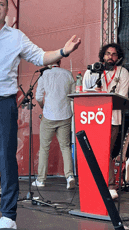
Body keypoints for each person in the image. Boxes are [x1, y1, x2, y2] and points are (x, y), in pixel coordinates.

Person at [0, 0, 81, 230]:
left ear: (6, 11)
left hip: (2, 105)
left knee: (5, 158)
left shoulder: (16, 37)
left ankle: (8, 216)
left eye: (1, 4)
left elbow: (41, 56)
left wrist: (63, 52)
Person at [83, 43, 129, 199]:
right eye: (108, 53)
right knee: (93, 151)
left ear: (118, 57)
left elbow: (122, 97)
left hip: (112, 119)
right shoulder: (92, 70)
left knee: (105, 151)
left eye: (114, 54)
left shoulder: (122, 72)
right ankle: (97, 184)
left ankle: (109, 185)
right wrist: (93, 92)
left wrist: (102, 94)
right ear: (103, 56)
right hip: (92, 118)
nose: (111, 56)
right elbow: (83, 92)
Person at [32, 60, 76, 189]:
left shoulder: (44, 75)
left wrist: (43, 106)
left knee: (44, 148)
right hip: (65, 114)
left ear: (49, 63)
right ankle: (69, 176)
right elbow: (73, 94)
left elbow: (39, 97)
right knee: (65, 147)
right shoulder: (68, 74)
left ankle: (41, 180)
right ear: (60, 61)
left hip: (49, 115)